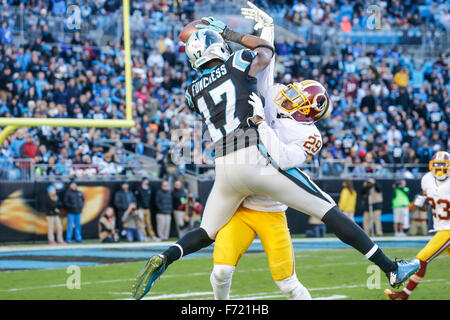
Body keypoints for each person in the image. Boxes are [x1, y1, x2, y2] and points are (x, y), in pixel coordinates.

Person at [132, 10, 418, 300]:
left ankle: (166, 257)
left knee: (207, 230)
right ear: (219, 47)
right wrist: (232, 33)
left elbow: (239, 84)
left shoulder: (191, 92)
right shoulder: (237, 63)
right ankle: (390, 267)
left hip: (224, 170)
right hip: (254, 160)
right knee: (327, 210)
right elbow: (265, 52)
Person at [385, 151, 449, 300]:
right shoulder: (427, 179)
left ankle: (403, 296)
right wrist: (422, 203)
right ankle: (403, 295)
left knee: (421, 259)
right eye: (437, 166)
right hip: (441, 227)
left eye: (443, 166)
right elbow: (428, 206)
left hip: (447, 230)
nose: (439, 169)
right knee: (422, 261)